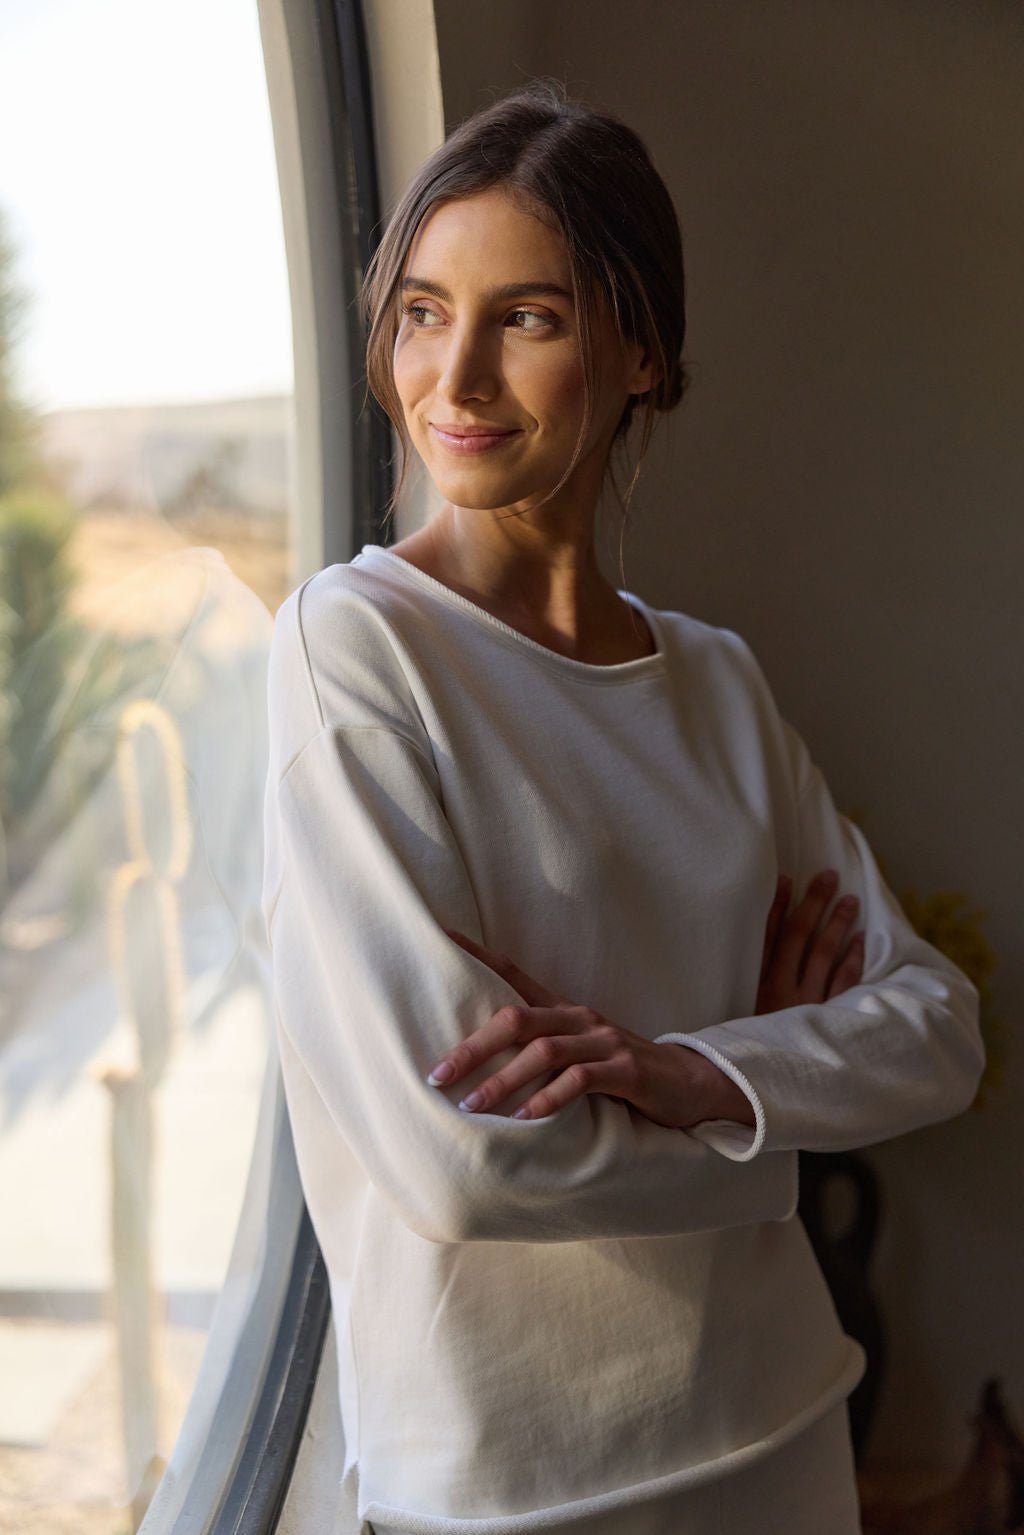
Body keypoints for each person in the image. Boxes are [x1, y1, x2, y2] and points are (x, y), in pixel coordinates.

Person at [261, 81, 984, 1535]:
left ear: (642, 350)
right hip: (503, 1492)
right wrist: (775, 1105)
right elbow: (465, 1158)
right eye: (419, 311)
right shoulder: (356, 650)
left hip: (778, 1432)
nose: (452, 379)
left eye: (527, 318)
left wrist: (687, 1076)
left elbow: (938, 1030)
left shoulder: (713, 682)